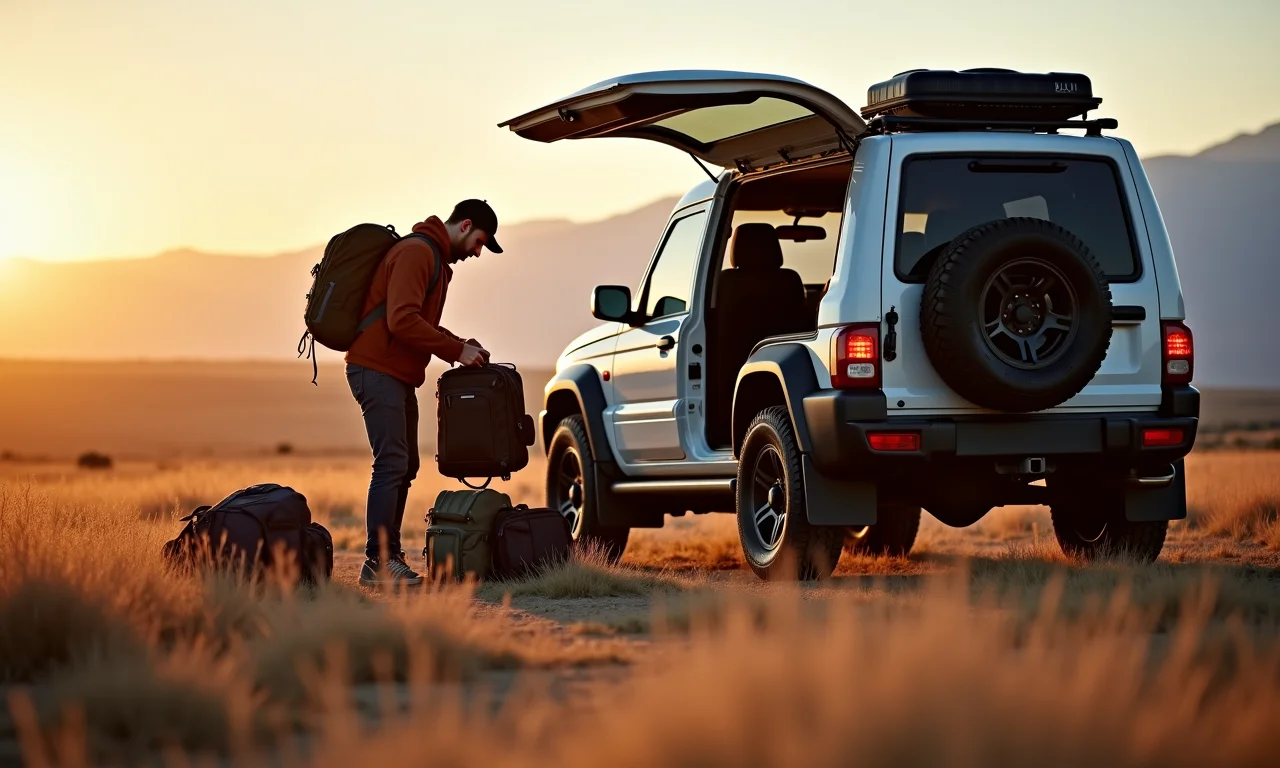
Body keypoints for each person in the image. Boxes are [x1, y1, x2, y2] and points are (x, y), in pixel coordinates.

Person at [345, 199, 502, 587]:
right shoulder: (417, 252)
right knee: (391, 462)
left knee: (405, 465)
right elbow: (401, 320)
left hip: (395, 374)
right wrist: (455, 351)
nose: (478, 252)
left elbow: (417, 320)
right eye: (480, 242)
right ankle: (379, 562)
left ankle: (389, 557)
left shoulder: (433, 259)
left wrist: (460, 344)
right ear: (465, 225)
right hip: (376, 370)